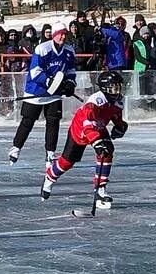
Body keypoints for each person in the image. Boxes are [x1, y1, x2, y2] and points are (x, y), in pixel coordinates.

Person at [40, 70, 127, 210]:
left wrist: (120, 126)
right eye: (114, 87)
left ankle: (100, 190)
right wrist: (96, 142)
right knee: (66, 163)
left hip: (98, 126)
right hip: (81, 129)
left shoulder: (118, 101)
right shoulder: (95, 102)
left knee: (107, 151)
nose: (117, 91)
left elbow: (115, 115)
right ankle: (50, 176)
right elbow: (87, 124)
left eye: (118, 87)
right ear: (105, 88)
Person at [9, 21, 76, 166]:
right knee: (28, 121)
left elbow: (70, 70)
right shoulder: (43, 49)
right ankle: (16, 147)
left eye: (65, 34)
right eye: (60, 34)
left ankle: (50, 152)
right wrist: (48, 81)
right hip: (36, 91)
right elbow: (35, 72)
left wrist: (70, 83)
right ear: (54, 35)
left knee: (53, 121)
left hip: (54, 92)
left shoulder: (69, 51)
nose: (63, 37)